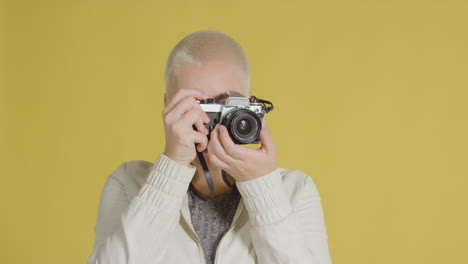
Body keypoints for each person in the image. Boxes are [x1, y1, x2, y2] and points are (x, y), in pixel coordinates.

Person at [87, 30, 332, 264]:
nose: (209, 121)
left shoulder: (294, 190)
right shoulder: (129, 183)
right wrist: (171, 167)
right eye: (194, 104)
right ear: (167, 105)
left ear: (249, 104)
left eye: (224, 104)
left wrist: (262, 185)